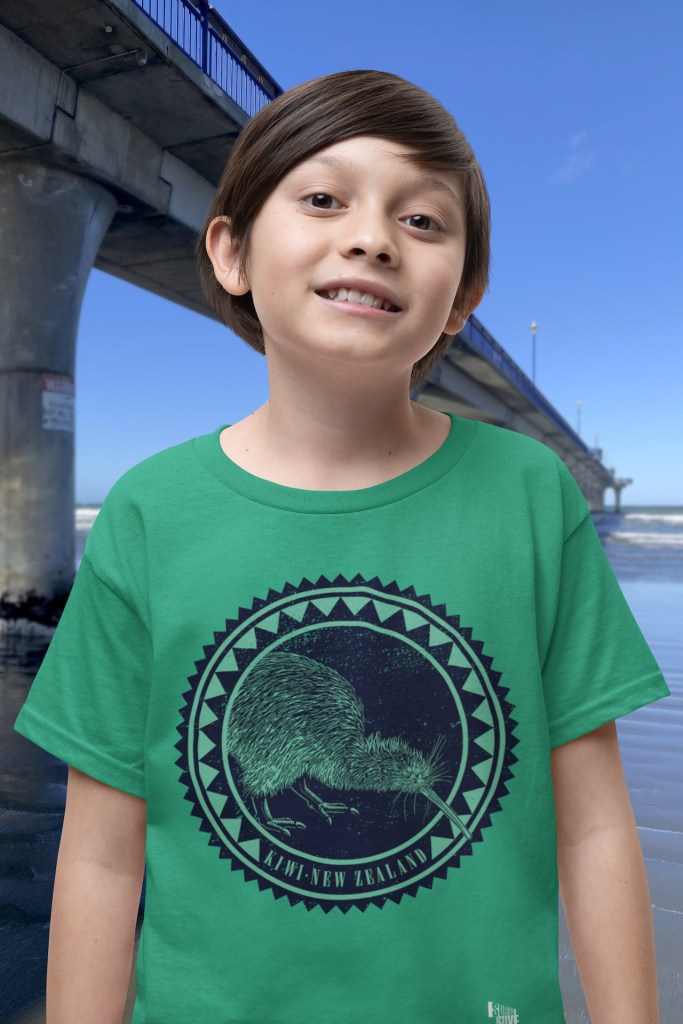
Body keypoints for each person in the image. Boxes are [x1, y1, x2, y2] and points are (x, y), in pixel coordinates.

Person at [13, 69, 670, 1024]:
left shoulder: (530, 495)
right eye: (323, 199)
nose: (370, 237)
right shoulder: (153, 511)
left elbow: (597, 824)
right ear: (231, 251)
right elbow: (104, 853)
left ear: (461, 299)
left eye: (422, 221)